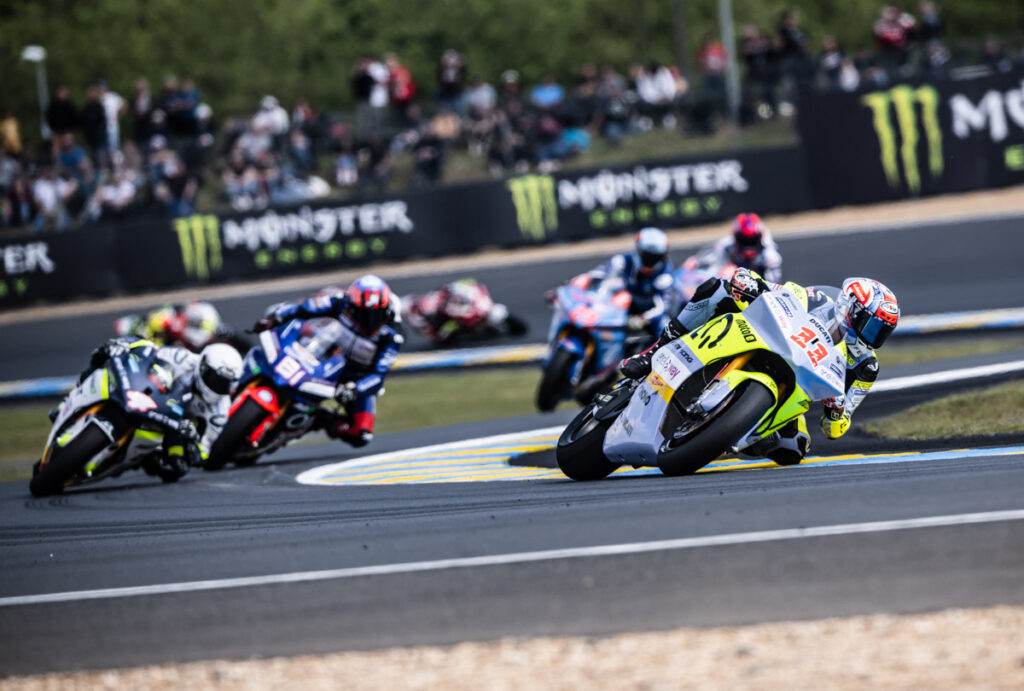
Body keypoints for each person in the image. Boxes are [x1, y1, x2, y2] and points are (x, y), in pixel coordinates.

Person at [619, 269, 900, 465]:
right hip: (769, 340)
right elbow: (784, 293)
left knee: (795, 447)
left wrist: (837, 407)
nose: (872, 336)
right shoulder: (820, 300)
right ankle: (655, 352)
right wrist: (752, 282)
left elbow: (836, 429)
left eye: (881, 331)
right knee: (717, 290)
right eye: (871, 325)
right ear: (851, 308)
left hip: (797, 388)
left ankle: (726, 432)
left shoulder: (865, 367)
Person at [252, 275, 402, 449]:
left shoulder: (391, 337)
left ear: (386, 311)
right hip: (325, 356)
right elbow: (303, 308)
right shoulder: (339, 302)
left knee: (361, 435)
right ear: (351, 305)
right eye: (361, 313)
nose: (368, 321)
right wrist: (276, 317)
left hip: (356, 378)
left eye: (376, 315)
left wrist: (355, 389)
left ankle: (319, 420)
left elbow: (378, 376)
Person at [63, 338, 243, 481]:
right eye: (216, 379)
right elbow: (150, 352)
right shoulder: (184, 359)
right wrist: (127, 345)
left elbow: (204, 452)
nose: (218, 387)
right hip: (151, 396)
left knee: (178, 468)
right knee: (101, 363)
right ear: (203, 367)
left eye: (225, 384)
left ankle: (145, 456)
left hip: (174, 429)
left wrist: (192, 438)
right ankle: (73, 401)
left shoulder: (221, 410)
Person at [692, 213, 783, 283]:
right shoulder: (725, 246)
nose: (748, 244)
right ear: (736, 238)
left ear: (759, 238)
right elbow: (714, 270)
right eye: (744, 240)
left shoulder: (771, 257)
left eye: (752, 240)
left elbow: (773, 285)